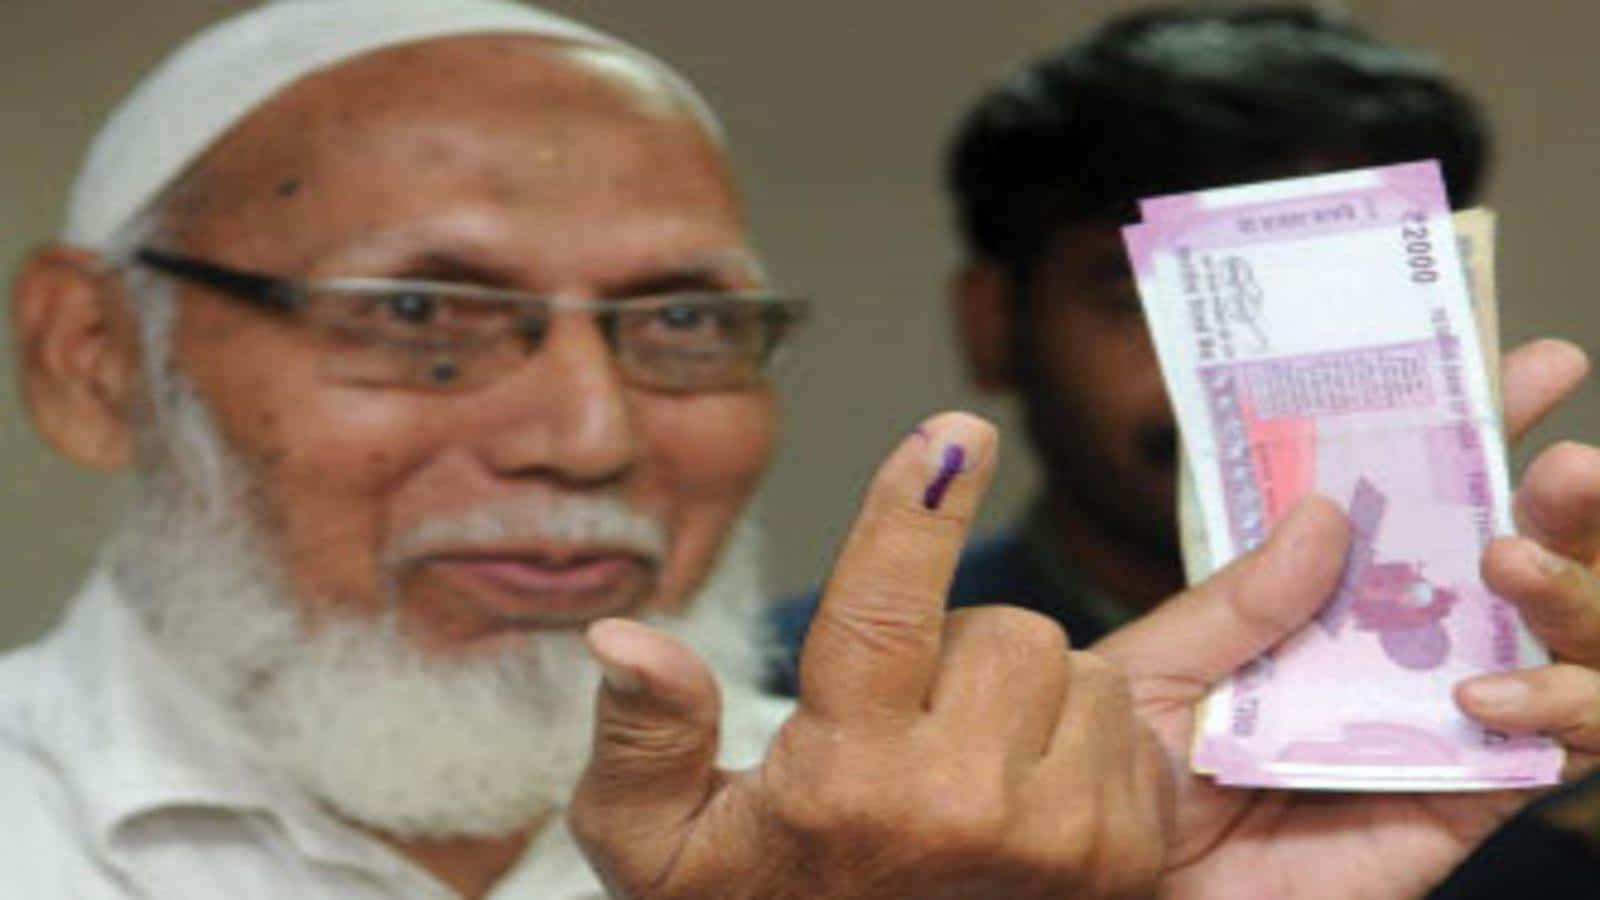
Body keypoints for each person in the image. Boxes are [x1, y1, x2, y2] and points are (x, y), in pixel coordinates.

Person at [8, 2, 1600, 899]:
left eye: (685, 325)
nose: (588, 435)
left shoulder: (917, 830)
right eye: (422, 309)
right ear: (92, 364)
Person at [763, 4, 1600, 895]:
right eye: (1141, 297)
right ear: (991, 323)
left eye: (1337, 295)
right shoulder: (792, 723)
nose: (1246, 391)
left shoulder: (1559, 690)